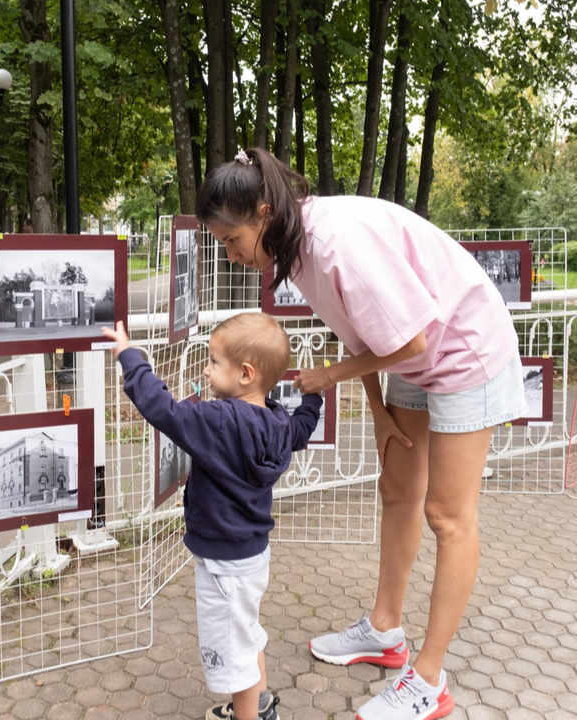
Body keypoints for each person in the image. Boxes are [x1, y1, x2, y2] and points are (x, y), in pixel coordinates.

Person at [196, 147, 527, 720]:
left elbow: (414, 338)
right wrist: (376, 411)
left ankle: (429, 681)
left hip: (463, 348)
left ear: (264, 212)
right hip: (413, 357)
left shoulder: (332, 243)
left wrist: (328, 378)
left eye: (230, 240)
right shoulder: (295, 246)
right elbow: (360, 331)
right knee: (398, 489)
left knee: (448, 514)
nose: (230, 254)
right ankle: (384, 630)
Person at [102, 313, 322, 720]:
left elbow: (163, 410)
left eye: (213, 362)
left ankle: (247, 714)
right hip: (253, 557)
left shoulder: (218, 420)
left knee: (234, 657)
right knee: (247, 635)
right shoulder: (278, 422)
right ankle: (260, 707)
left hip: (222, 565)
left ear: (245, 373)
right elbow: (303, 427)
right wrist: (314, 397)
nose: (205, 368)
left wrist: (129, 356)